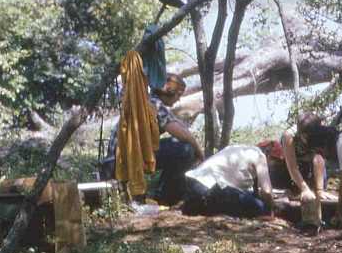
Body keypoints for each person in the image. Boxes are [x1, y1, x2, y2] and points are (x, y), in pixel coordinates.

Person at [105, 72, 204, 205]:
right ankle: (164, 198)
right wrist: (199, 152)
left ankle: (166, 195)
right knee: (185, 149)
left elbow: (178, 125)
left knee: (181, 148)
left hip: (117, 161)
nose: (178, 100)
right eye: (178, 95)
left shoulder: (149, 101)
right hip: (123, 160)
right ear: (169, 91)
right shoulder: (153, 104)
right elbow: (182, 134)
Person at [182, 144, 275, 218]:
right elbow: (267, 191)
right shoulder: (260, 155)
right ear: (269, 154)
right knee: (260, 207)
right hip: (212, 190)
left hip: (192, 188)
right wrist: (270, 209)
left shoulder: (236, 148)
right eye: (275, 161)